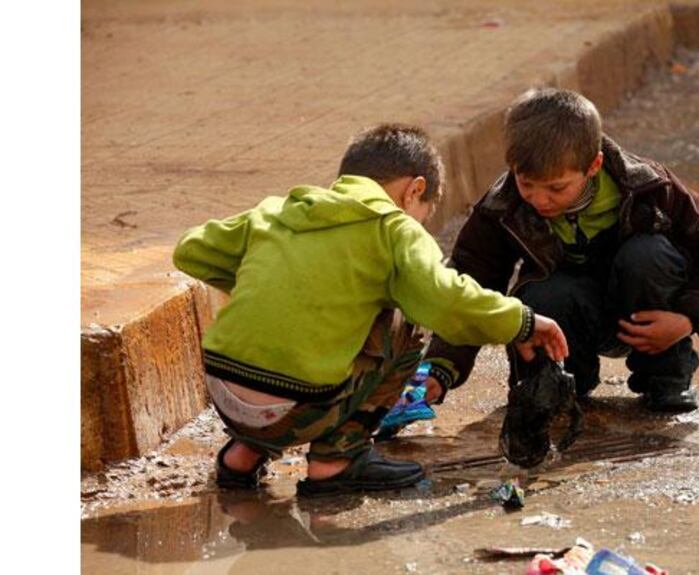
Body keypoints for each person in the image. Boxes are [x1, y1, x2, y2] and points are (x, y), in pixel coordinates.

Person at [172, 124, 568, 497]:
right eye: (425, 212)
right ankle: (336, 461)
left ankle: (241, 457)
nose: (421, 222)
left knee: (294, 340)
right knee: (407, 319)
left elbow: (191, 250)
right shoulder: (394, 228)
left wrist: (276, 287)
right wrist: (522, 321)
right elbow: (445, 300)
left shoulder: (275, 212)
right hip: (296, 406)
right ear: (414, 190)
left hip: (222, 391)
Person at [422, 88, 699, 413]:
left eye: (556, 187)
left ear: (594, 165)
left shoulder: (649, 186)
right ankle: (558, 385)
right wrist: (441, 367)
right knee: (542, 296)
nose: (539, 199)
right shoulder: (502, 208)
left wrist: (688, 320)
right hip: (565, 321)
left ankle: (666, 380)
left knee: (648, 255)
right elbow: (470, 282)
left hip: (648, 314)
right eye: (526, 183)